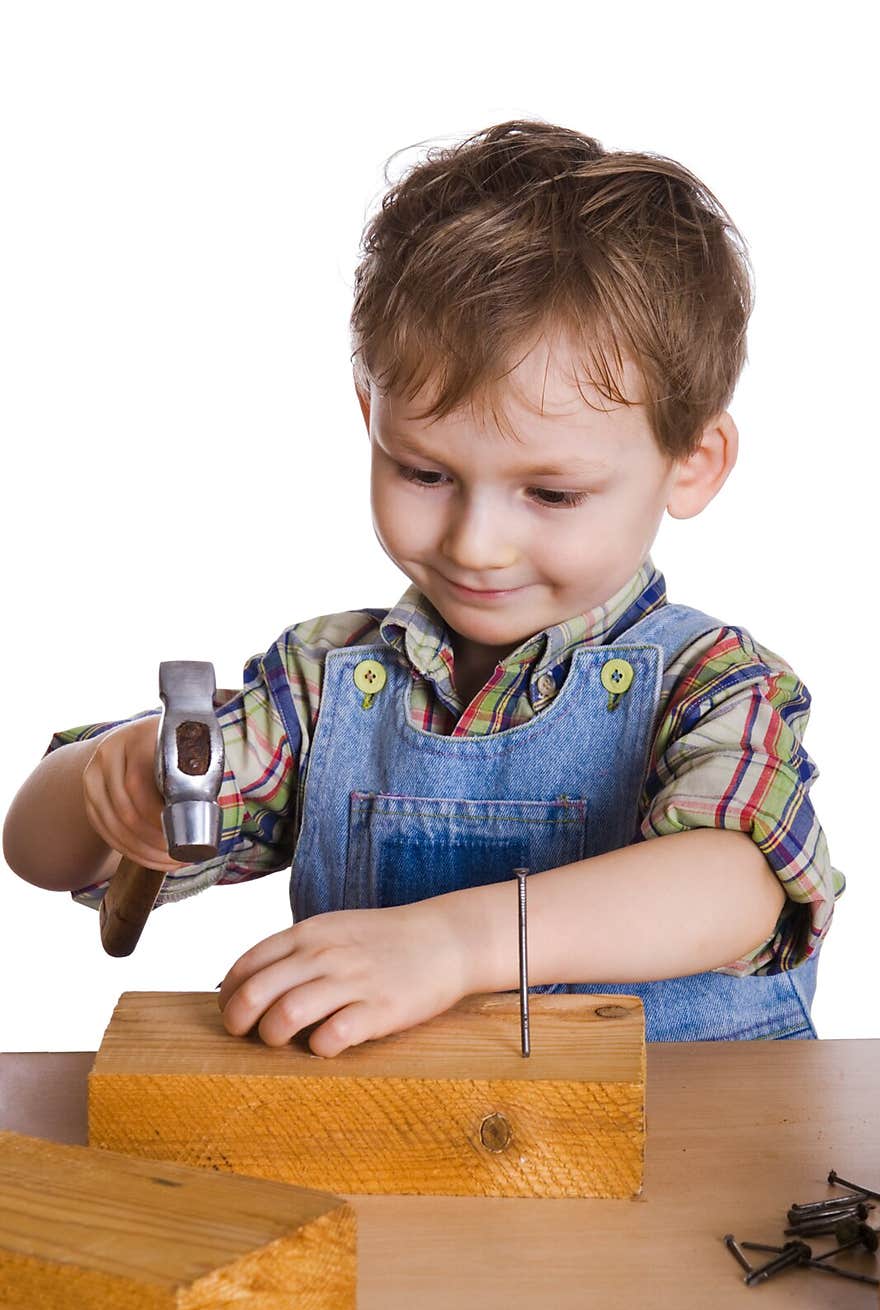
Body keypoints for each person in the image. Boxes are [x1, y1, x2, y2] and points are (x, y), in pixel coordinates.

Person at [3, 120, 844, 1055]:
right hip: (404, 1162)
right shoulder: (326, 691)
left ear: (692, 464)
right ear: (372, 413)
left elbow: (736, 885)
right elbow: (34, 852)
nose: (476, 545)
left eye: (552, 492)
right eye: (425, 473)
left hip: (691, 1161)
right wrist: (101, 783)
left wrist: (454, 943)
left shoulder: (715, 685)